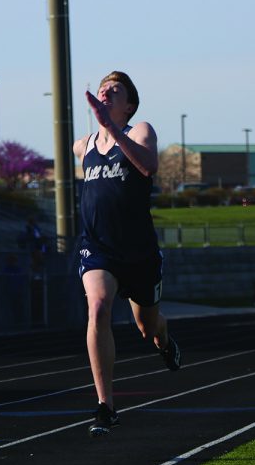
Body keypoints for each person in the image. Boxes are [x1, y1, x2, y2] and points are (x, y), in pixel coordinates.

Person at [73, 70, 181, 437]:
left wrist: (113, 130)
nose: (106, 92)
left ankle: (164, 336)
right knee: (98, 306)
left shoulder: (140, 131)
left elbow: (148, 166)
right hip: (98, 247)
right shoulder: (83, 146)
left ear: (129, 105)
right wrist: (101, 130)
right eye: (103, 88)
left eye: (114, 90)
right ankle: (106, 406)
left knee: (146, 328)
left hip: (138, 251)